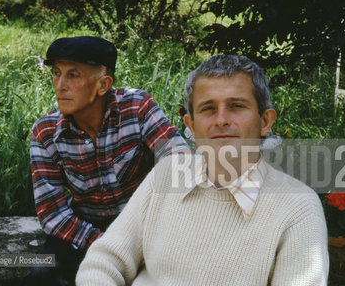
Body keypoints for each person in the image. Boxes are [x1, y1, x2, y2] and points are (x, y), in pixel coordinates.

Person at [76, 55, 329, 285]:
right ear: (191, 126)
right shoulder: (167, 174)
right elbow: (103, 261)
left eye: (236, 106)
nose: (221, 120)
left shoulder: (298, 208)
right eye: (208, 109)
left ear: (265, 122)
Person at [23, 36, 189, 286]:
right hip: (84, 226)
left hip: (141, 221)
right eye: (56, 74)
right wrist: (106, 243)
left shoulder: (137, 107)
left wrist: (156, 226)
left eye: (73, 75)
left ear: (103, 84)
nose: (60, 85)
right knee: (40, 276)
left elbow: (180, 162)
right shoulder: (44, 133)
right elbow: (52, 213)